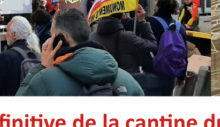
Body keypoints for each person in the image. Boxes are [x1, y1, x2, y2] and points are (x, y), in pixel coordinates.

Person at [16, 9, 144, 96]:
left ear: (62, 39)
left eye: (52, 36)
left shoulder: (44, 79)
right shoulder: (127, 79)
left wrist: (41, 67)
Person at [89, 7, 157, 75]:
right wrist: (142, 21)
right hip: (127, 82)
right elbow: (152, 45)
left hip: (101, 82)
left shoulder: (91, 37)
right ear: (122, 15)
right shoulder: (127, 37)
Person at [146, 0, 188, 96]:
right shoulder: (180, 27)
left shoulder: (149, 23)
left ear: (158, 7)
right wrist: (181, 77)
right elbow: (183, 54)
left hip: (152, 71)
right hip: (171, 73)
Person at [0, 16, 41, 96]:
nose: (6, 35)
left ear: (14, 35)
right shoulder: (38, 54)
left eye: (7, 31)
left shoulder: (5, 57)